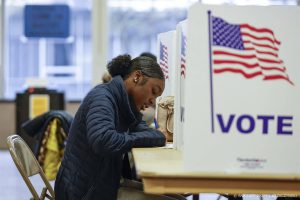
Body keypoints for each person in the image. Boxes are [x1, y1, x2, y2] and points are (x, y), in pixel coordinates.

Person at [54, 54, 167, 200]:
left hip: (102, 184)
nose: (153, 101)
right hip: (82, 192)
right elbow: (104, 141)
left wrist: (158, 136)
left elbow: (142, 130)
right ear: (137, 77)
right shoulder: (102, 97)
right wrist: (158, 136)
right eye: (154, 91)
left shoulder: (125, 104)